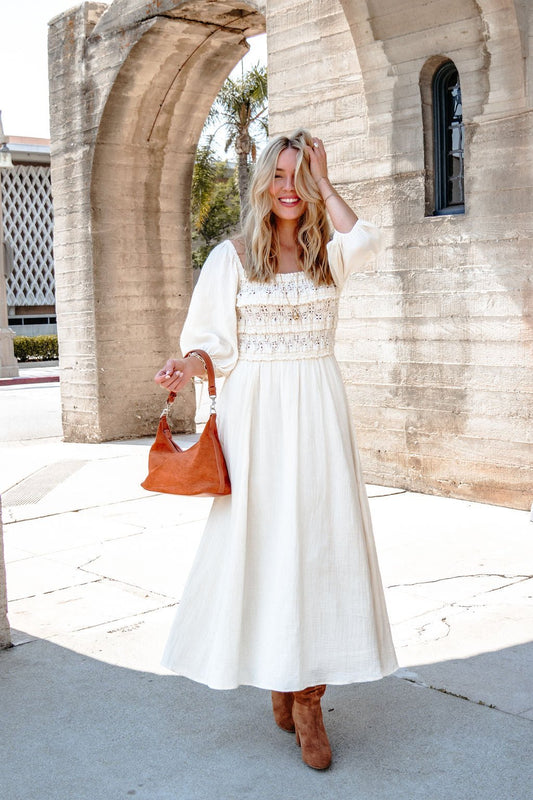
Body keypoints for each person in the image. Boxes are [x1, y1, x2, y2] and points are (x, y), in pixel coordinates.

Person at [154, 129, 397, 770]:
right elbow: (213, 345)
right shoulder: (230, 257)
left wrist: (326, 181)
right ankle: (279, 673)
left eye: (300, 176)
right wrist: (186, 365)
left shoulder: (327, 254)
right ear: (262, 181)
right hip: (256, 415)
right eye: (280, 175)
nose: (289, 188)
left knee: (318, 542)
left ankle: (309, 696)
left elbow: (368, 241)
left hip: (318, 408)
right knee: (265, 544)